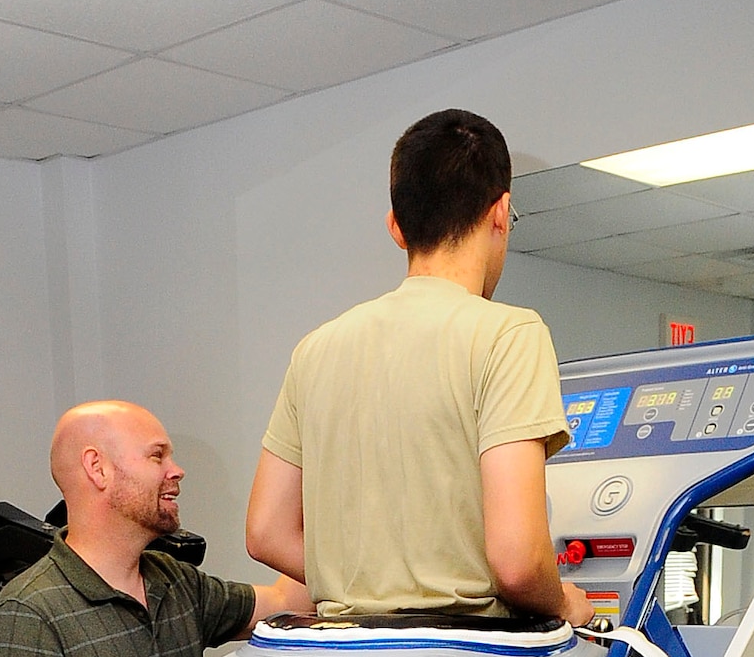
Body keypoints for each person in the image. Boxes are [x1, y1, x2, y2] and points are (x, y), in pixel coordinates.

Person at [245, 108, 593, 628]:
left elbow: (266, 531)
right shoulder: (509, 334)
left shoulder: (316, 348)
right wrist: (568, 603)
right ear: (501, 212)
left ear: (396, 227)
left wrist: (363, 585)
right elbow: (518, 562)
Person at [0, 400, 311, 657]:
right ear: (98, 468)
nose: (176, 471)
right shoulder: (26, 617)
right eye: (157, 456)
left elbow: (289, 600)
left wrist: (323, 496)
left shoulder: (175, 582)